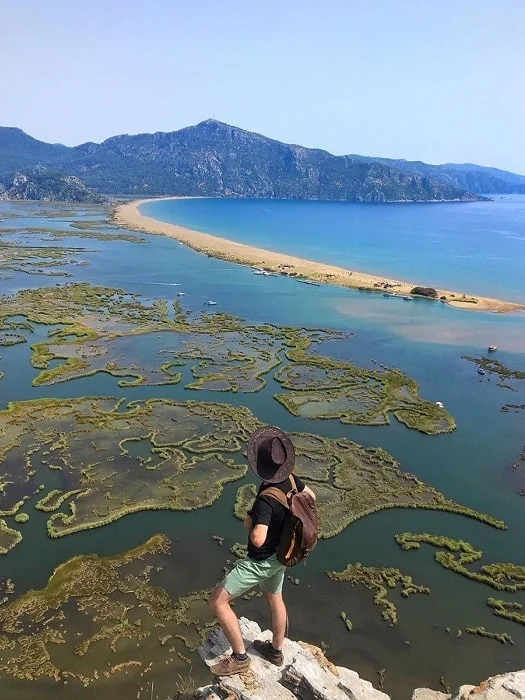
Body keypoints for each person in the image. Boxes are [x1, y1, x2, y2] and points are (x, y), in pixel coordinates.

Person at [208, 425, 316, 676]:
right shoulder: (290, 479)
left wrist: (253, 518)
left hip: (262, 559)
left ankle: (240, 657)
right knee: (275, 597)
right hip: (282, 555)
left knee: (218, 600)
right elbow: (310, 495)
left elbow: (258, 538)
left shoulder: (266, 498)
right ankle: (276, 652)